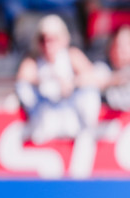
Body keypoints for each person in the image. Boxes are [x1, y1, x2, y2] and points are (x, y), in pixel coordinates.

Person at [15, 14, 100, 143]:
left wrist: (71, 82)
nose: (48, 44)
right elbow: (22, 79)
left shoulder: (72, 55)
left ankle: (87, 131)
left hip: (72, 112)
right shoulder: (33, 61)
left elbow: (93, 78)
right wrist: (46, 79)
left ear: (63, 39)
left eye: (53, 39)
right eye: (43, 39)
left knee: (90, 92)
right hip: (45, 113)